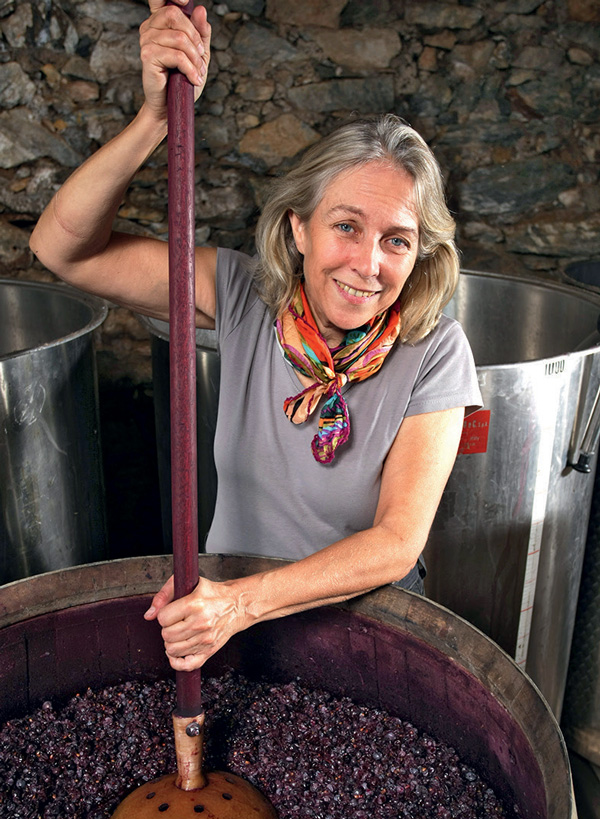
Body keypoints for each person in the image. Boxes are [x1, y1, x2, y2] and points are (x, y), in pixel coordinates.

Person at [30, 0, 482, 673]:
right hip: (234, 637)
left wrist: (239, 603)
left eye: (397, 240)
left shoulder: (434, 352)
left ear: (420, 254)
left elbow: (396, 542)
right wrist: (154, 120)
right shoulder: (244, 296)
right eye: (346, 226)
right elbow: (63, 249)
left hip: (363, 645)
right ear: (299, 229)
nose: (368, 263)